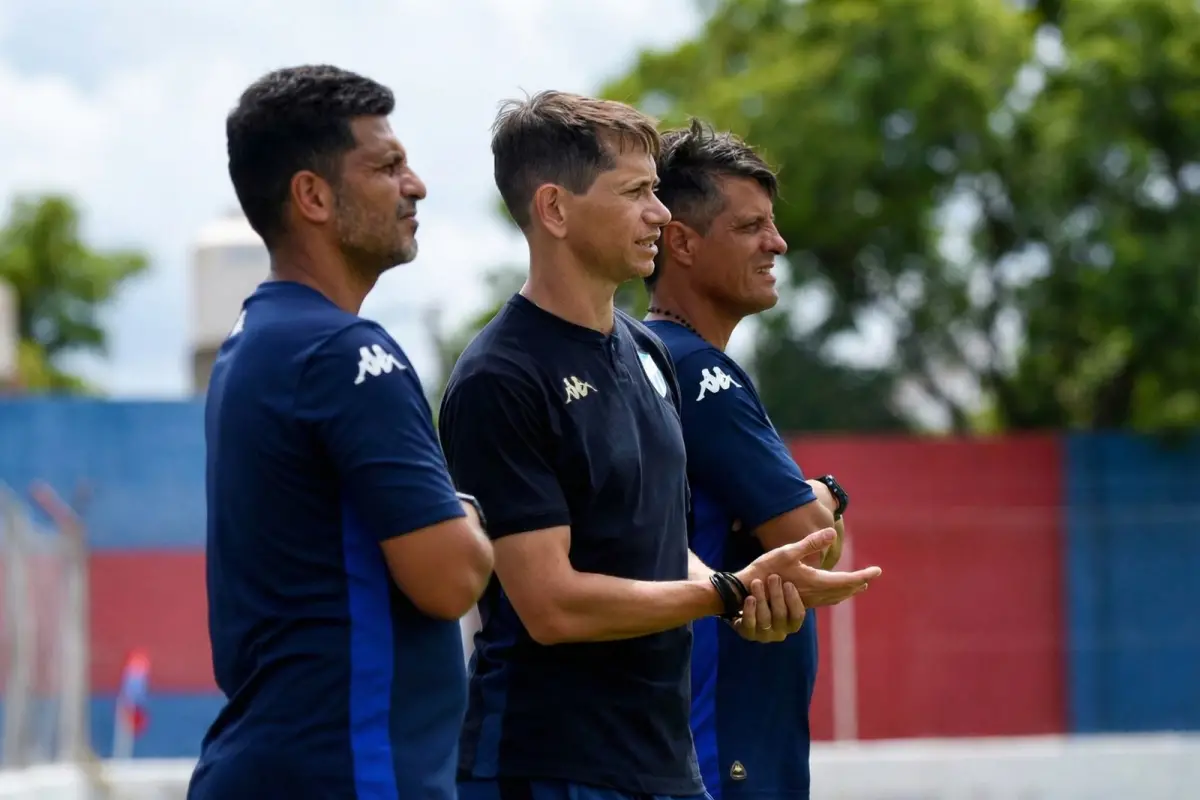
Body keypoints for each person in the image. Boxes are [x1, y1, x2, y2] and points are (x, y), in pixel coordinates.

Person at [438, 91, 882, 800]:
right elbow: (551, 606)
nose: (661, 213)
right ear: (554, 210)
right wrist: (723, 593)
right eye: (635, 193)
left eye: (656, 189)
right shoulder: (502, 376)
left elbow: (664, 545)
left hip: (667, 766)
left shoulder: (647, 353)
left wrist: (740, 591)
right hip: (547, 768)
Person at [188, 65, 493, 800]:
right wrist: (469, 516)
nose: (416, 185)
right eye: (387, 167)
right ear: (313, 196)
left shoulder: (258, 342)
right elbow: (452, 579)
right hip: (348, 773)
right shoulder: (346, 353)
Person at [644, 118, 864, 800]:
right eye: (750, 227)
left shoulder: (647, 358)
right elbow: (813, 542)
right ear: (681, 242)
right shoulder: (698, 372)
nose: (777, 243)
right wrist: (828, 492)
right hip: (721, 746)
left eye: (772, 224)